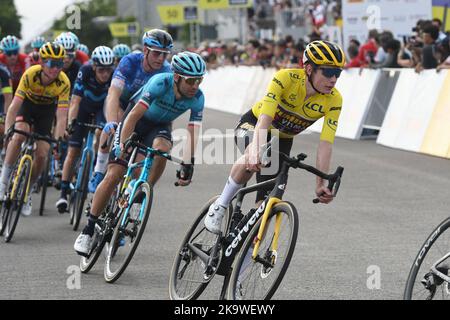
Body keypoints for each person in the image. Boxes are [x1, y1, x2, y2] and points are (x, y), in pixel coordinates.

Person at [204, 40, 345, 234]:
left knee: (266, 207)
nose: (334, 79)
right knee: (254, 155)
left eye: (338, 73)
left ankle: (243, 250)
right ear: (310, 69)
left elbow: (325, 144)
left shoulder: (334, 99)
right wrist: (255, 149)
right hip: (254, 124)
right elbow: (265, 119)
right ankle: (220, 205)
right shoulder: (285, 79)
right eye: (328, 72)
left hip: (283, 139)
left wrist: (320, 183)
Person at [74, 51, 206, 256]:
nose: (195, 86)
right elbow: (133, 115)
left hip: (160, 125)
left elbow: (193, 132)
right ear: (177, 77)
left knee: (162, 149)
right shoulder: (160, 83)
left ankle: (140, 195)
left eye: (199, 80)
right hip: (136, 120)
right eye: (191, 81)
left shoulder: (197, 97)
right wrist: (122, 145)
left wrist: (188, 164)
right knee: (114, 174)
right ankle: (88, 229)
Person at [87, 29, 173, 193]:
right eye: (157, 54)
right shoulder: (129, 62)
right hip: (123, 103)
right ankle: (98, 170)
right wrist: (111, 121)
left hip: (144, 111)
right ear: (145, 50)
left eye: (165, 54)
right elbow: (113, 93)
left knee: (138, 170)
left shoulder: (167, 71)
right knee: (114, 126)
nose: (161, 59)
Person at [0, 42, 70, 216]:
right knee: (18, 136)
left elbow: (61, 117)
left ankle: (28, 191)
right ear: (41, 63)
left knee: (42, 154)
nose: (56, 69)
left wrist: (58, 140)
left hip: (46, 113)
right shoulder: (30, 74)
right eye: (51, 64)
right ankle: (3, 181)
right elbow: (14, 106)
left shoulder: (63, 82)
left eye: (59, 64)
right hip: (27, 107)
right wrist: (9, 129)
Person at [55, 46, 115, 213]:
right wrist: (71, 122)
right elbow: (74, 101)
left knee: (102, 133)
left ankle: (96, 164)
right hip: (83, 108)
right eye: (101, 70)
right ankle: (63, 193)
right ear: (94, 66)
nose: (105, 74)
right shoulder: (85, 70)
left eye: (108, 70)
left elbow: (113, 103)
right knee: (73, 151)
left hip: (100, 109)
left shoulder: (113, 75)